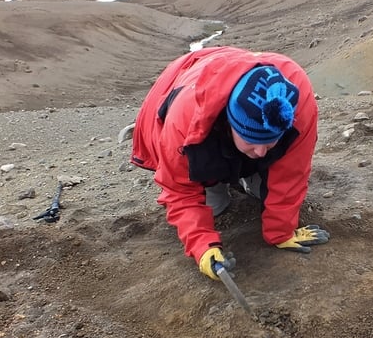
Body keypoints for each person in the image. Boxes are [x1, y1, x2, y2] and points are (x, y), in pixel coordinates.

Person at [130, 46, 329, 281]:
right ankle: (214, 181)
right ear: (231, 124)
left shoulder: (297, 103)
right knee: (215, 206)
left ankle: (248, 174)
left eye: (270, 142)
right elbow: (180, 191)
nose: (262, 151)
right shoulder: (183, 122)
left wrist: (281, 232)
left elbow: (292, 170)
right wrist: (202, 246)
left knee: (261, 187)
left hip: (232, 123)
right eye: (252, 141)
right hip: (196, 117)